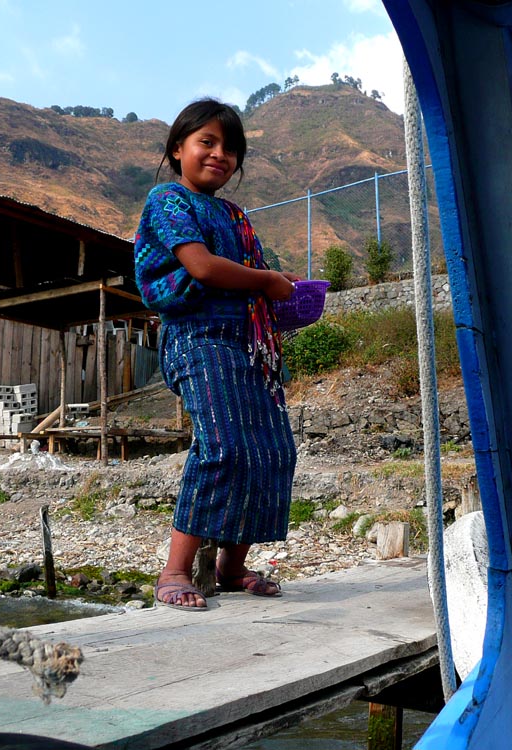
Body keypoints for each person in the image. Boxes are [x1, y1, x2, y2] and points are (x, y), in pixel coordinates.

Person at [134, 98, 300, 611]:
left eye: (230, 148)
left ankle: (230, 566)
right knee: (224, 445)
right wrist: (270, 281)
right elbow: (204, 269)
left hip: (249, 344)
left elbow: (253, 281)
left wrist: (287, 288)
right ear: (177, 148)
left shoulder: (235, 215)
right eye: (206, 141)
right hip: (198, 338)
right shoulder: (168, 200)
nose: (219, 154)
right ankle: (174, 571)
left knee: (274, 450)